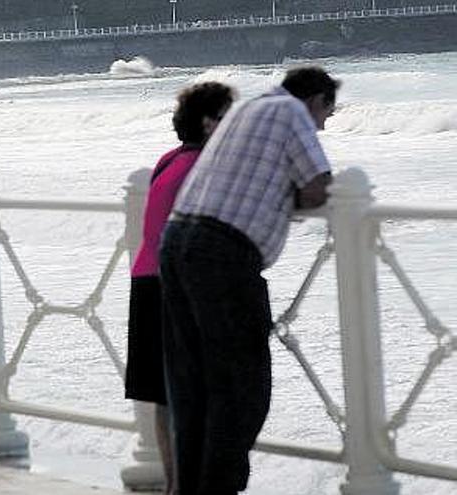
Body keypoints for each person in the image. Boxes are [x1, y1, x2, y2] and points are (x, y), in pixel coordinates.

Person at [158, 66, 338, 494]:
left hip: (178, 241)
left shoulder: (244, 110)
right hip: (222, 253)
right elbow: (318, 185)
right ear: (315, 100)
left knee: (194, 384)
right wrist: (293, 197)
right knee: (240, 384)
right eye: (326, 116)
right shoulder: (290, 111)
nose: (323, 126)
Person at [125, 81, 235, 495]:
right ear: (209, 124)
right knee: (191, 389)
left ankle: (174, 484)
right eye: (228, 118)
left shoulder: (169, 159)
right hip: (175, 283)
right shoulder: (206, 167)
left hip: (145, 277)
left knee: (161, 392)